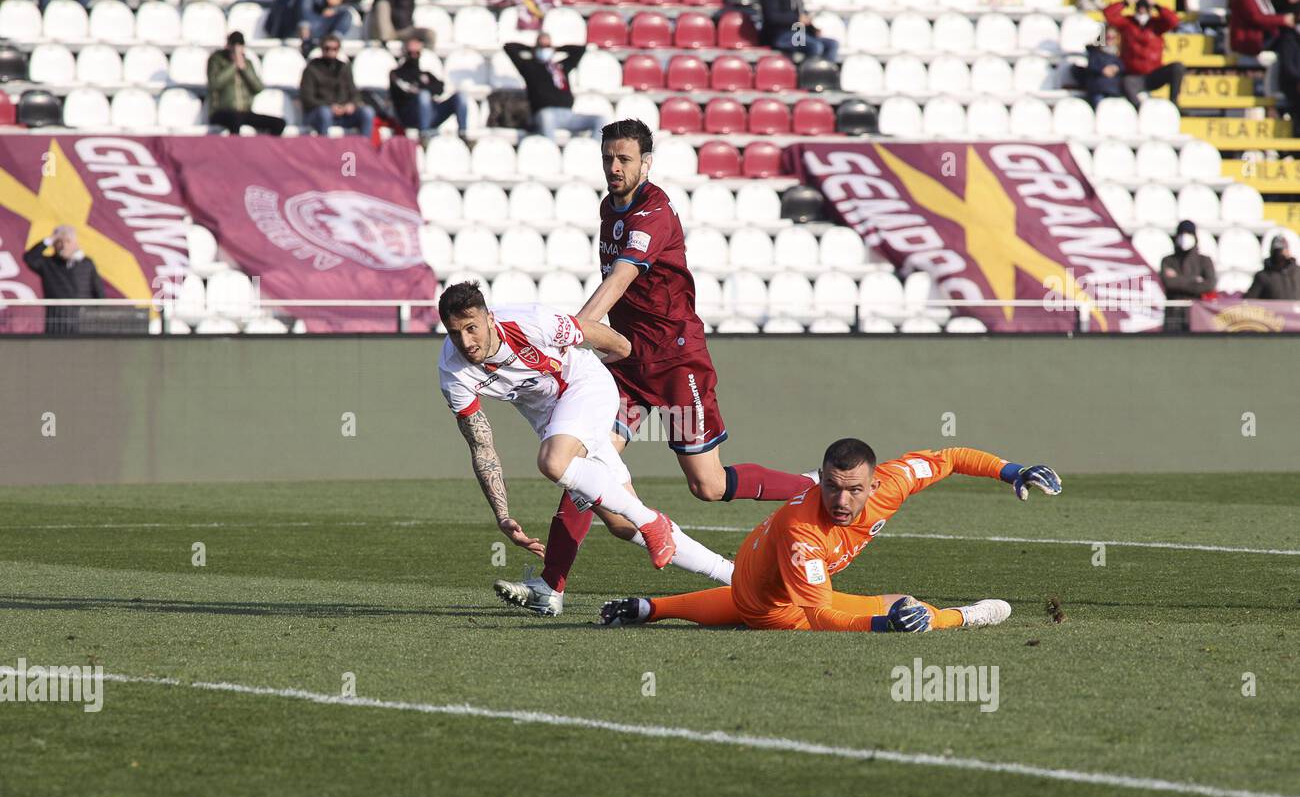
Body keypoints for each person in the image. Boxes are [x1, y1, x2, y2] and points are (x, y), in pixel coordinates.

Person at [493, 119, 817, 618]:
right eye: (608, 159)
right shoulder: (609, 207)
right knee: (585, 465)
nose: (614, 168)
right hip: (624, 363)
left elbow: (620, 279)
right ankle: (550, 586)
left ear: (646, 162)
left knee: (707, 486)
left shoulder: (654, 212)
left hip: (675, 361)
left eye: (624, 159)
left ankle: (811, 487)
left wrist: (578, 328)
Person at [600, 439, 1063, 632]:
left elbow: (951, 456)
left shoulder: (895, 479)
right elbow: (818, 614)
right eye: (832, 487)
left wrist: (1013, 471)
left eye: (854, 490)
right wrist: (884, 625)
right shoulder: (804, 531)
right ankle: (965, 616)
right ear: (819, 478)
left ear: (876, 484)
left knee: (748, 599)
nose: (841, 501)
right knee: (905, 606)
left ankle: (652, 608)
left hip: (749, 582)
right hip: (775, 605)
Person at [438, 282, 734, 583]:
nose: (465, 341)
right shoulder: (453, 372)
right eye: (454, 332)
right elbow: (481, 447)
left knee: (554, 462)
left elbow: (607, 339)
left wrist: (619, 357)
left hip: (586, 386)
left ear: (489, 319)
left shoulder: (532, 322)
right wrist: (502, 515)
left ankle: (646, 524)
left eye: (471, 328)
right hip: (555, 421)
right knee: (621, 524)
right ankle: (733, 576)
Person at [503, 34, 603, 142]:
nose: (545, 49)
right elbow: (509, 47)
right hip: (545, 113)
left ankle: (594, 152)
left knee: (601, 119)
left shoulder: (561, 66)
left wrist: (557, 49)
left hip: (568, 114)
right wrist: (531, 48)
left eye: (548, 46)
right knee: (547, 117)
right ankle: (551, 153)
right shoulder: (529, 66)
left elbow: (580, 50)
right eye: (541, 46)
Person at [1102, 0, 1184, 108]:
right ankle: (1140, 109)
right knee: (1127, 82)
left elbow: (1174, 20)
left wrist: (1157, 5)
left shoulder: (1156, 24)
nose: (1142, 10)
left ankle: (1174, 104)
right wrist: (1126, 2)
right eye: (1139, 7)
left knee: (1177, 67)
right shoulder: (1127, 23)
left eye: (1145, 7)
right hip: (1134, 75)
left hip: (1154, 74)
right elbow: (1108, 14)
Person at [23, 225, 104, 335]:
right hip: (57, 321)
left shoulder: (86, 263)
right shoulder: (48, 264)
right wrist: (49, 239)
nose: (64, 246)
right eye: (59, 242)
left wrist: (96, 314)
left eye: (68, 241)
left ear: (75, 243)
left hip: (83, 321)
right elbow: (29, 258)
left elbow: (99, 291)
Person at [1229, 0, 1300, 116]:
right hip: (1250, 40)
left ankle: (1294, 78)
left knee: (1290, 38)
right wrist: (1283, 20)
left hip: (1269, 36)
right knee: (1288, 37)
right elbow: (1255, 17)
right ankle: (1294, 79)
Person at [207, 32, 286, 136]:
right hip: (221, 111)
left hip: (244, 111)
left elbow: (258, 88)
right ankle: (234, 151)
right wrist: (234, 66)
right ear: (228, 45)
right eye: (234, 45)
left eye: (240, 45)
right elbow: (214, 84)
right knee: (235, 120)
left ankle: (266, 150)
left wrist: (243, 69)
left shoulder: (247, 63)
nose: (236, 49)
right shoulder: (217, 60)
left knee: (279, 123)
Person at [389, 34, 469, 138]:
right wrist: (424, 89)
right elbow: (404, 92)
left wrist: (420, 88)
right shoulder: (396, 73)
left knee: (460, 96)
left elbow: (440, 88)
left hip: (431, 112)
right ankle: (424, 136)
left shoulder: (425, 74)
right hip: (409, 115)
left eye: (417, 52)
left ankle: (463, 135)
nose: (414, 55)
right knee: (424, 96)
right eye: (411, 52)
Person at [300, 34, 375, 136]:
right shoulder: (311, 69)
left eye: (334, 49)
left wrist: (352, 104)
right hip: (319, 114)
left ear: (338, 50)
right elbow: (307, 99)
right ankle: (324, 149)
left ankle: (364, 148)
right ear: (321, 49)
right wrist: (330, 106)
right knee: (324, 112)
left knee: (367, 112)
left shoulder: (344, 68)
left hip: (343, 114)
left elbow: (355, 93)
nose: (331, 52)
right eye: (327, 48)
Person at [1159, 220, 1216, 331]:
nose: (1184, 237)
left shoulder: (1204, 261)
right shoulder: (1168, 260)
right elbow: (1169, 283)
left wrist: (1178, 279)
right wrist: (1195, 280)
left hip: (1198, 313)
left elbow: (1209, 285)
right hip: (1173, 315)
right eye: (1181, 234)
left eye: (1188, 234)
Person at [759, 0, 839, 63]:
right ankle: (809, 77)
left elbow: (802, 14)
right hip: (780, 35)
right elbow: (772, 17)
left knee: (832, 44)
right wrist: (797, 19)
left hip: (799, 34)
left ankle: (825, 75)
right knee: (815, 46)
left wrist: (813, 29)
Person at [1245, 235, 1300, 299]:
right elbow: (1249, 300)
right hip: (1273, 309)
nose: (1280, 254)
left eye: (1282, 250)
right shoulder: (1263, 276)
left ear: (1288, 251)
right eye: (1277, 251)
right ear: (1272, 252)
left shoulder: (1298, 272)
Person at [1082, 30, 1125, 109]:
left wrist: (1117, 68)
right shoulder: (1095, 53)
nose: (1110, 40)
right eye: (1108, 37)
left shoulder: (1118, 55)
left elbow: (1123, 67)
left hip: (1114, 91)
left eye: (1113, 38)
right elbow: (1091, 67)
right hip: (1098, 90)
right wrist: (1102, 70)